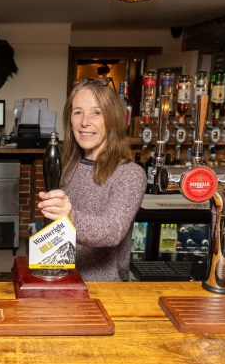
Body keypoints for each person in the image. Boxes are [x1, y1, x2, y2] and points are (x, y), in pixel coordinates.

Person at [37, 78, 146, 281]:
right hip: (61, 280)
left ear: (111, 118)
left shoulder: (130, 174)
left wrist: (69, 216)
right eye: (78, 112)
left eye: (96, 112)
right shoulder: (68, 166)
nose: (85, 122)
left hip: (101, 290)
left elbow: (112, 230)